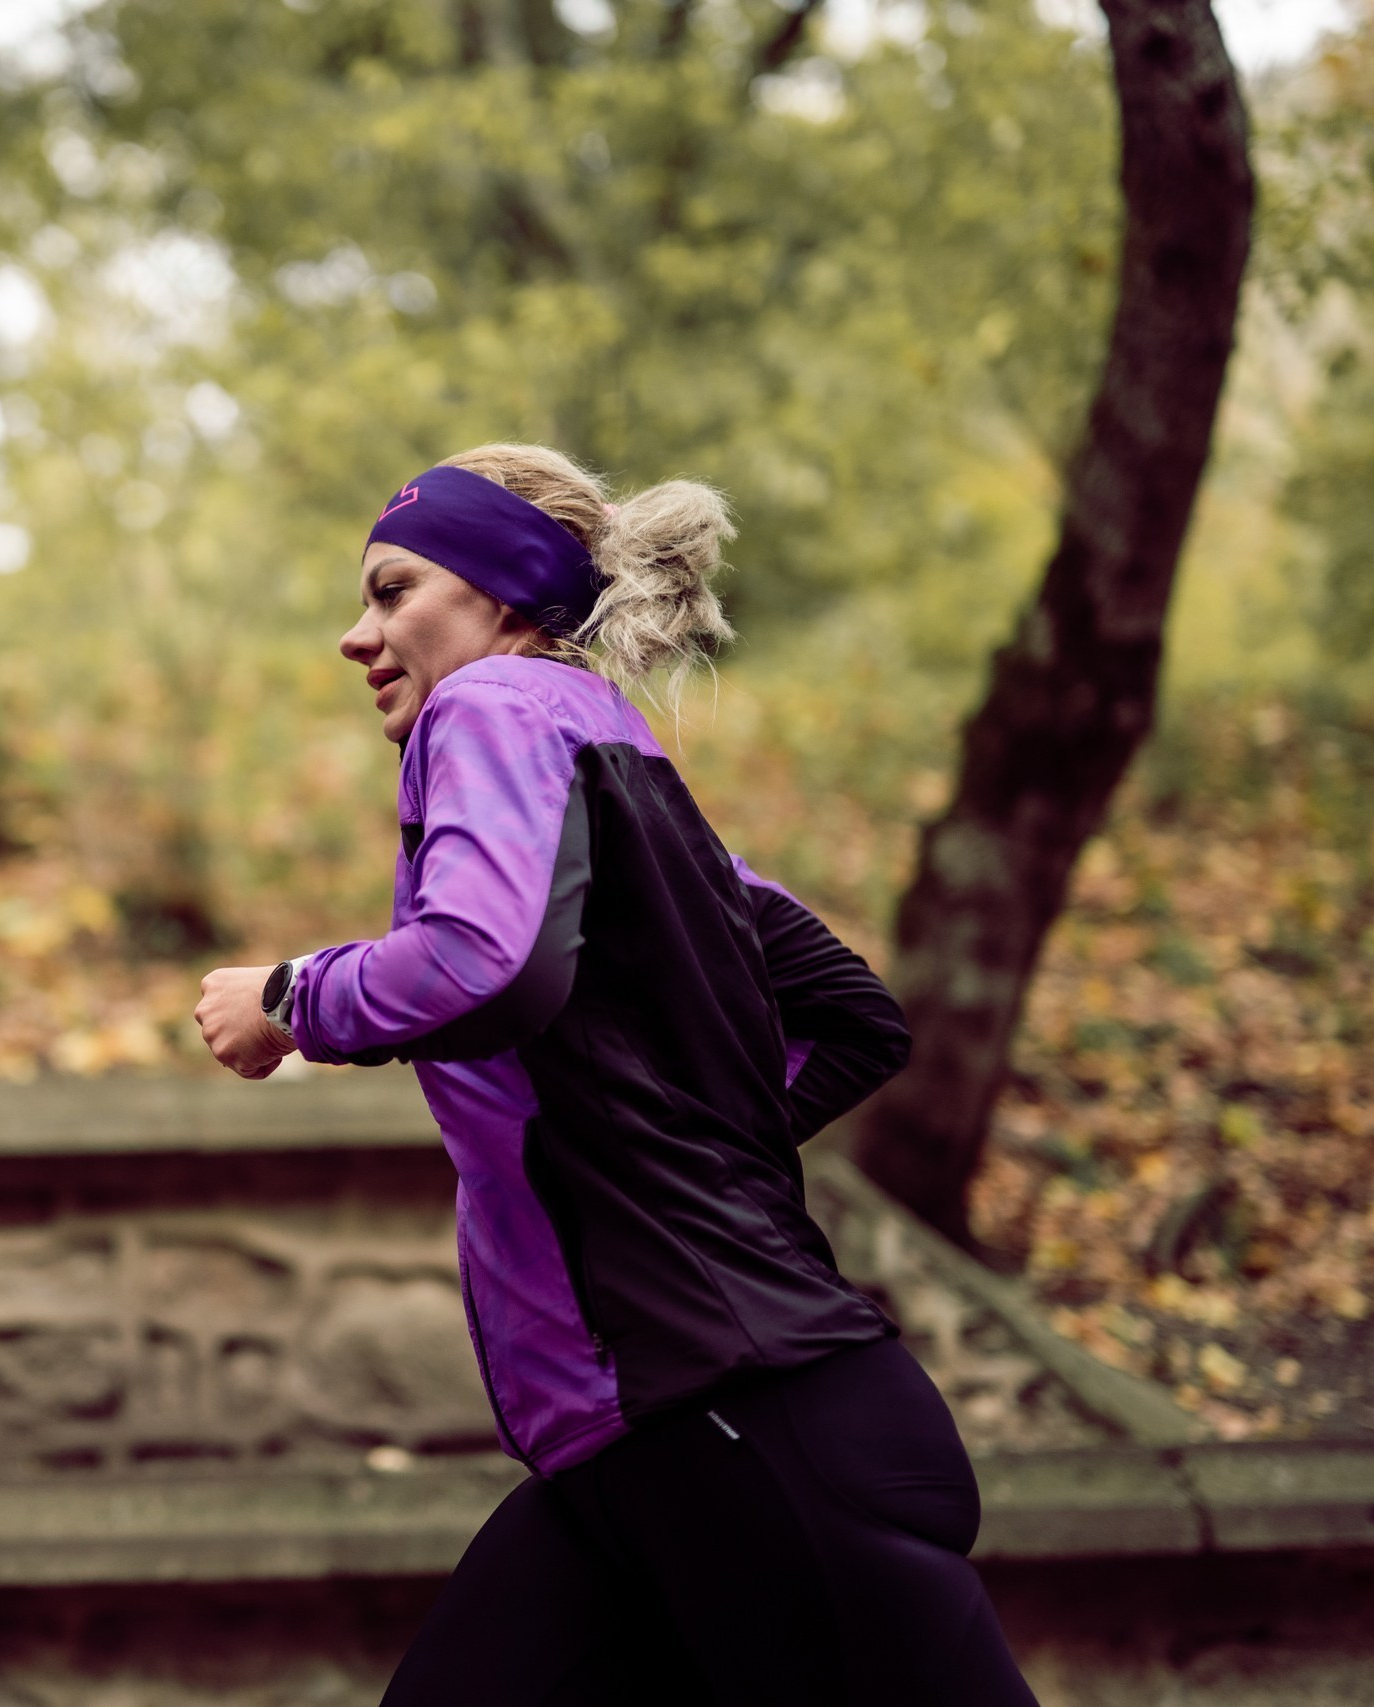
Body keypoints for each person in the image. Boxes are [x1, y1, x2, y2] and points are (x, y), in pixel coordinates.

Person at [194, 445, 1037, 1706]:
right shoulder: (631, 783)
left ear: (504, 600)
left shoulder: (488, 707)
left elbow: (482, 962)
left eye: (390, 590)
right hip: (645, 1451)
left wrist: (287, 999)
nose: (355, 635)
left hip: (741, 1429)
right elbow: (854, 1018)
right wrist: (661, 1140)